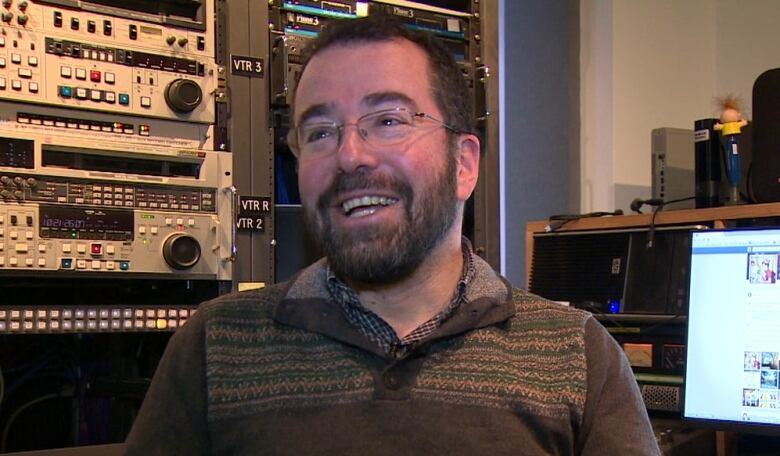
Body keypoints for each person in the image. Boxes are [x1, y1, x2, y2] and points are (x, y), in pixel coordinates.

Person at [124, 15, 660, 455]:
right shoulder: (216, 347)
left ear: (465, 165)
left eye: (388, 120)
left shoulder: (575, 354)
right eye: (320, 132)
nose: (350, 154)